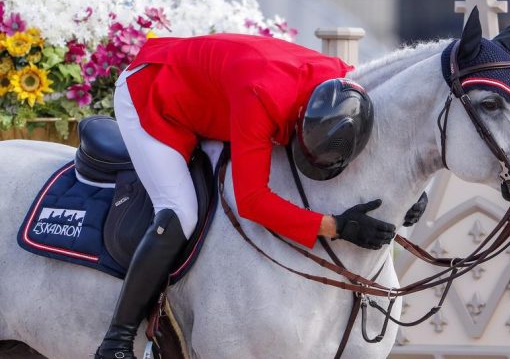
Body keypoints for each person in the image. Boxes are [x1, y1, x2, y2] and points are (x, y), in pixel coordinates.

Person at [95, 33, 401, 359]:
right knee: (180, 209)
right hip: (150, 95)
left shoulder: (343, 83)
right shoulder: (261, 97)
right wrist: (337, 227)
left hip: (214, 94)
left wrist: (409, 200)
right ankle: (117, 340)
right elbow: (251, 201)